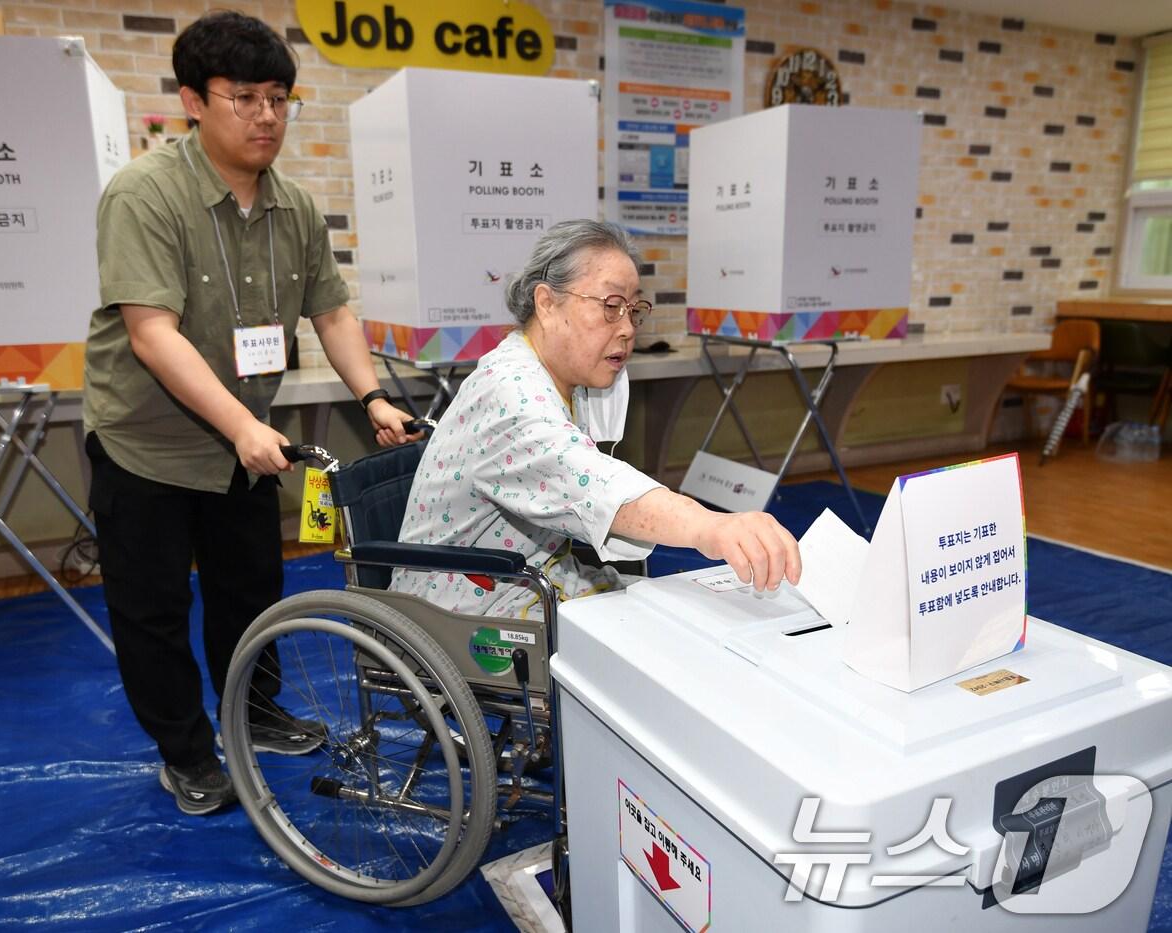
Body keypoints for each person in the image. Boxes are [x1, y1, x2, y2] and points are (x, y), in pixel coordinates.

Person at [83, 11, 414, 816]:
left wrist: (370, 394)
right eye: (245, 98)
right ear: (194, 101)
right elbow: (152, 334)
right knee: (153, 608)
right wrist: (237, 424)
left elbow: (332, 312)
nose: (267, 116)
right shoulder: (144, 194)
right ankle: (187, 750)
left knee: (252, 593)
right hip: (145, 444)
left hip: (244, 445)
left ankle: (257, 712)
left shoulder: (295, 207)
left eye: (279, 98)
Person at [390, 220, 801, 618]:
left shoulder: (566, 378)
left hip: (536, 579)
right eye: (610, 307)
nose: (626, 329)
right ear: (547, 304)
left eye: (633, 309)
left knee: (677, 615)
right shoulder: (510, 392)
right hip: (467, 607)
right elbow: (592, 481)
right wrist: (708, 526)